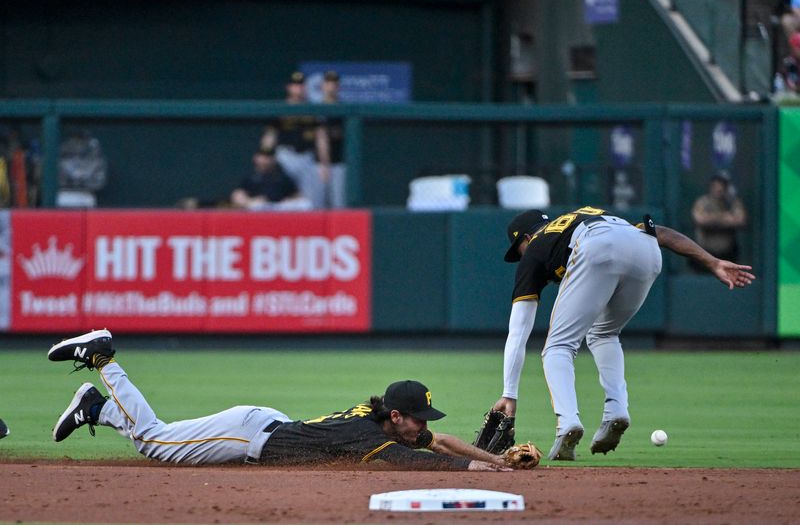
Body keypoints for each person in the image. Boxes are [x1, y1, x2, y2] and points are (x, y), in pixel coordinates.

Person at [490, 207, 754, 461]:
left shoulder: (535, 248)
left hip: (595, 246)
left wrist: (509, 392)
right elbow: (661, 233)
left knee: (559, 346)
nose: (521, 256)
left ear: (526, 238)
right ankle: (616, 411)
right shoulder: (578, 219)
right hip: (645, 249)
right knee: (605, 333)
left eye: (519, 250)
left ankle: (567, 423)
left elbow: (518, 332)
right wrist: (712, 262)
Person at [48, 329, 511, 471]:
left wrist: (497, 460)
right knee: (153, 442)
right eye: (418, 418)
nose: (421, 425)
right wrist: (488, 472)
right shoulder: (364, 433)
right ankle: (103, 359)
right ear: (395, 416)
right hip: (248, 435)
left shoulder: (387, 424)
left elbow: (440, 442)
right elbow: (423, 464)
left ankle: (98, 408)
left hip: (267, 428)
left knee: (157, 438)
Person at [260, 71, 330, 209]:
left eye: (301, 85)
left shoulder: (313, 110)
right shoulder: (280, 109)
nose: (298, 88)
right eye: (295, 85)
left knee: (312, 201)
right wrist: (265, 156)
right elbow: (270, 136)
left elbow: (321, 138)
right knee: (280, 197)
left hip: (307, 157)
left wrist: (324, 164)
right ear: (289, 87)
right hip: (285, 156)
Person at [690, 171, 747, 270]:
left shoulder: (732, 202)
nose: (718, 188)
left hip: (728, 254)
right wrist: (725, 218)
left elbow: (740, 220)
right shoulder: (703, 202)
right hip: (705, 253)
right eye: (715, 185)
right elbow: (700, 219)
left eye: (722, 185)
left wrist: (713, 219)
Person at [230, 148, 308, 210]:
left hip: (278, 210)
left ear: (273, 159)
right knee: (257, 206)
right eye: (261, 157)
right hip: (256, 209)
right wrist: (249, 202)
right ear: (255, 158)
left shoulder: (283, 177)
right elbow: (237, 195)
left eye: (267, 157)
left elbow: (297, 195)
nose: (263, 161)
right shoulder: (250, 178)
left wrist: (288, 201)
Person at [317, 70, 347, 209]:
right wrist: (324, 163)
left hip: (339, 162)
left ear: (338, 86)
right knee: (317, 206)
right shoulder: (315, 109)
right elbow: (319, 136)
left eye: (334, 83)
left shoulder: (344, 110)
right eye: (328, 83)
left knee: (339, 204)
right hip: (317, 164)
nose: (331, 86)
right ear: (323, 85)